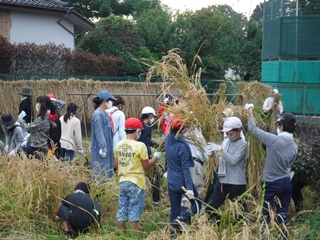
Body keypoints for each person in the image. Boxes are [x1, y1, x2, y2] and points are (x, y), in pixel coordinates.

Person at [246, 105, 298, 227]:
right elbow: (289, 162)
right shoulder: (295, 147)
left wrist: (249, 112)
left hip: (271, 183)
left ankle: (264, 235)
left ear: (281, 127)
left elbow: (252, 128)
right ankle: (283, 235)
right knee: (283, 214)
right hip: (286, 182)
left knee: (266, 214)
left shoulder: (273, 140)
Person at [114, 117, 161, 239]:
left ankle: (122, 236)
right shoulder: (140, 146)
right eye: (139, 130)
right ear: (137, 131)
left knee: (122, 209)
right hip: (136, 182)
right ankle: (135, 237)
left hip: (123, 181)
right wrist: (156, 157)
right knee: (134, 210)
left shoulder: (119, 145)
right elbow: (146, 165)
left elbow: (115, 165)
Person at [205, 117, 248, 220]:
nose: (229, 136)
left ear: (239, 131)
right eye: (227, 134)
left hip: (236, 184)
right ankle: (221, 224)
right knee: (210, 208)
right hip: (222, 181)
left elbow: (233, 160)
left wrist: (220, 150)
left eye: (231, 134)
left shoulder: (243, 145)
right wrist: (212, 153)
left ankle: (238, 232)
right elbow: (221, 157)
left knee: (238, 213)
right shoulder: (226, 142)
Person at [165, 116, 202, 235]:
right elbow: (185, 169)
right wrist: (190, 189)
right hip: (182, 183)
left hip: (171, 180)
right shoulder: (182, 147)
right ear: (182, 130)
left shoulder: (168, 141)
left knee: (174, 210)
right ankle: (183, 218)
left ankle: (172, 235)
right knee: (198, 204)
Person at [19, 96, 56, 160]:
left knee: (22, 150)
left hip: (38, 147)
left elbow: (28, 128)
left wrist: (21, 120)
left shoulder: (41, 119)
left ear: (40, 105)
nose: (36, 105)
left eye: (37, 103)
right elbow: (54, 125)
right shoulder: (47, 117)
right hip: (43, 145)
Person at [91, 90, 117, 180]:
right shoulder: (97, 114)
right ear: (105, 100)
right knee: (100, 171)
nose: (112, 103)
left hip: (108, 148)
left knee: (108, 170)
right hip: (101, 149)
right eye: (110, 100)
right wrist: (103, 147)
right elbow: (99, 132)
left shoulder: (106, 114)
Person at [138, 106, 160, 205]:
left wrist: (157, 145)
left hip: (136, 155)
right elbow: (145, 143)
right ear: (150, 116)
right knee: (155, 177)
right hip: (144, 156)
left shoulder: (139, 126)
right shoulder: (147, 128)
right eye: (153, 117)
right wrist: (151, 156)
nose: (153, 119)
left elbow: (147, 141)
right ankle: (156, 200)